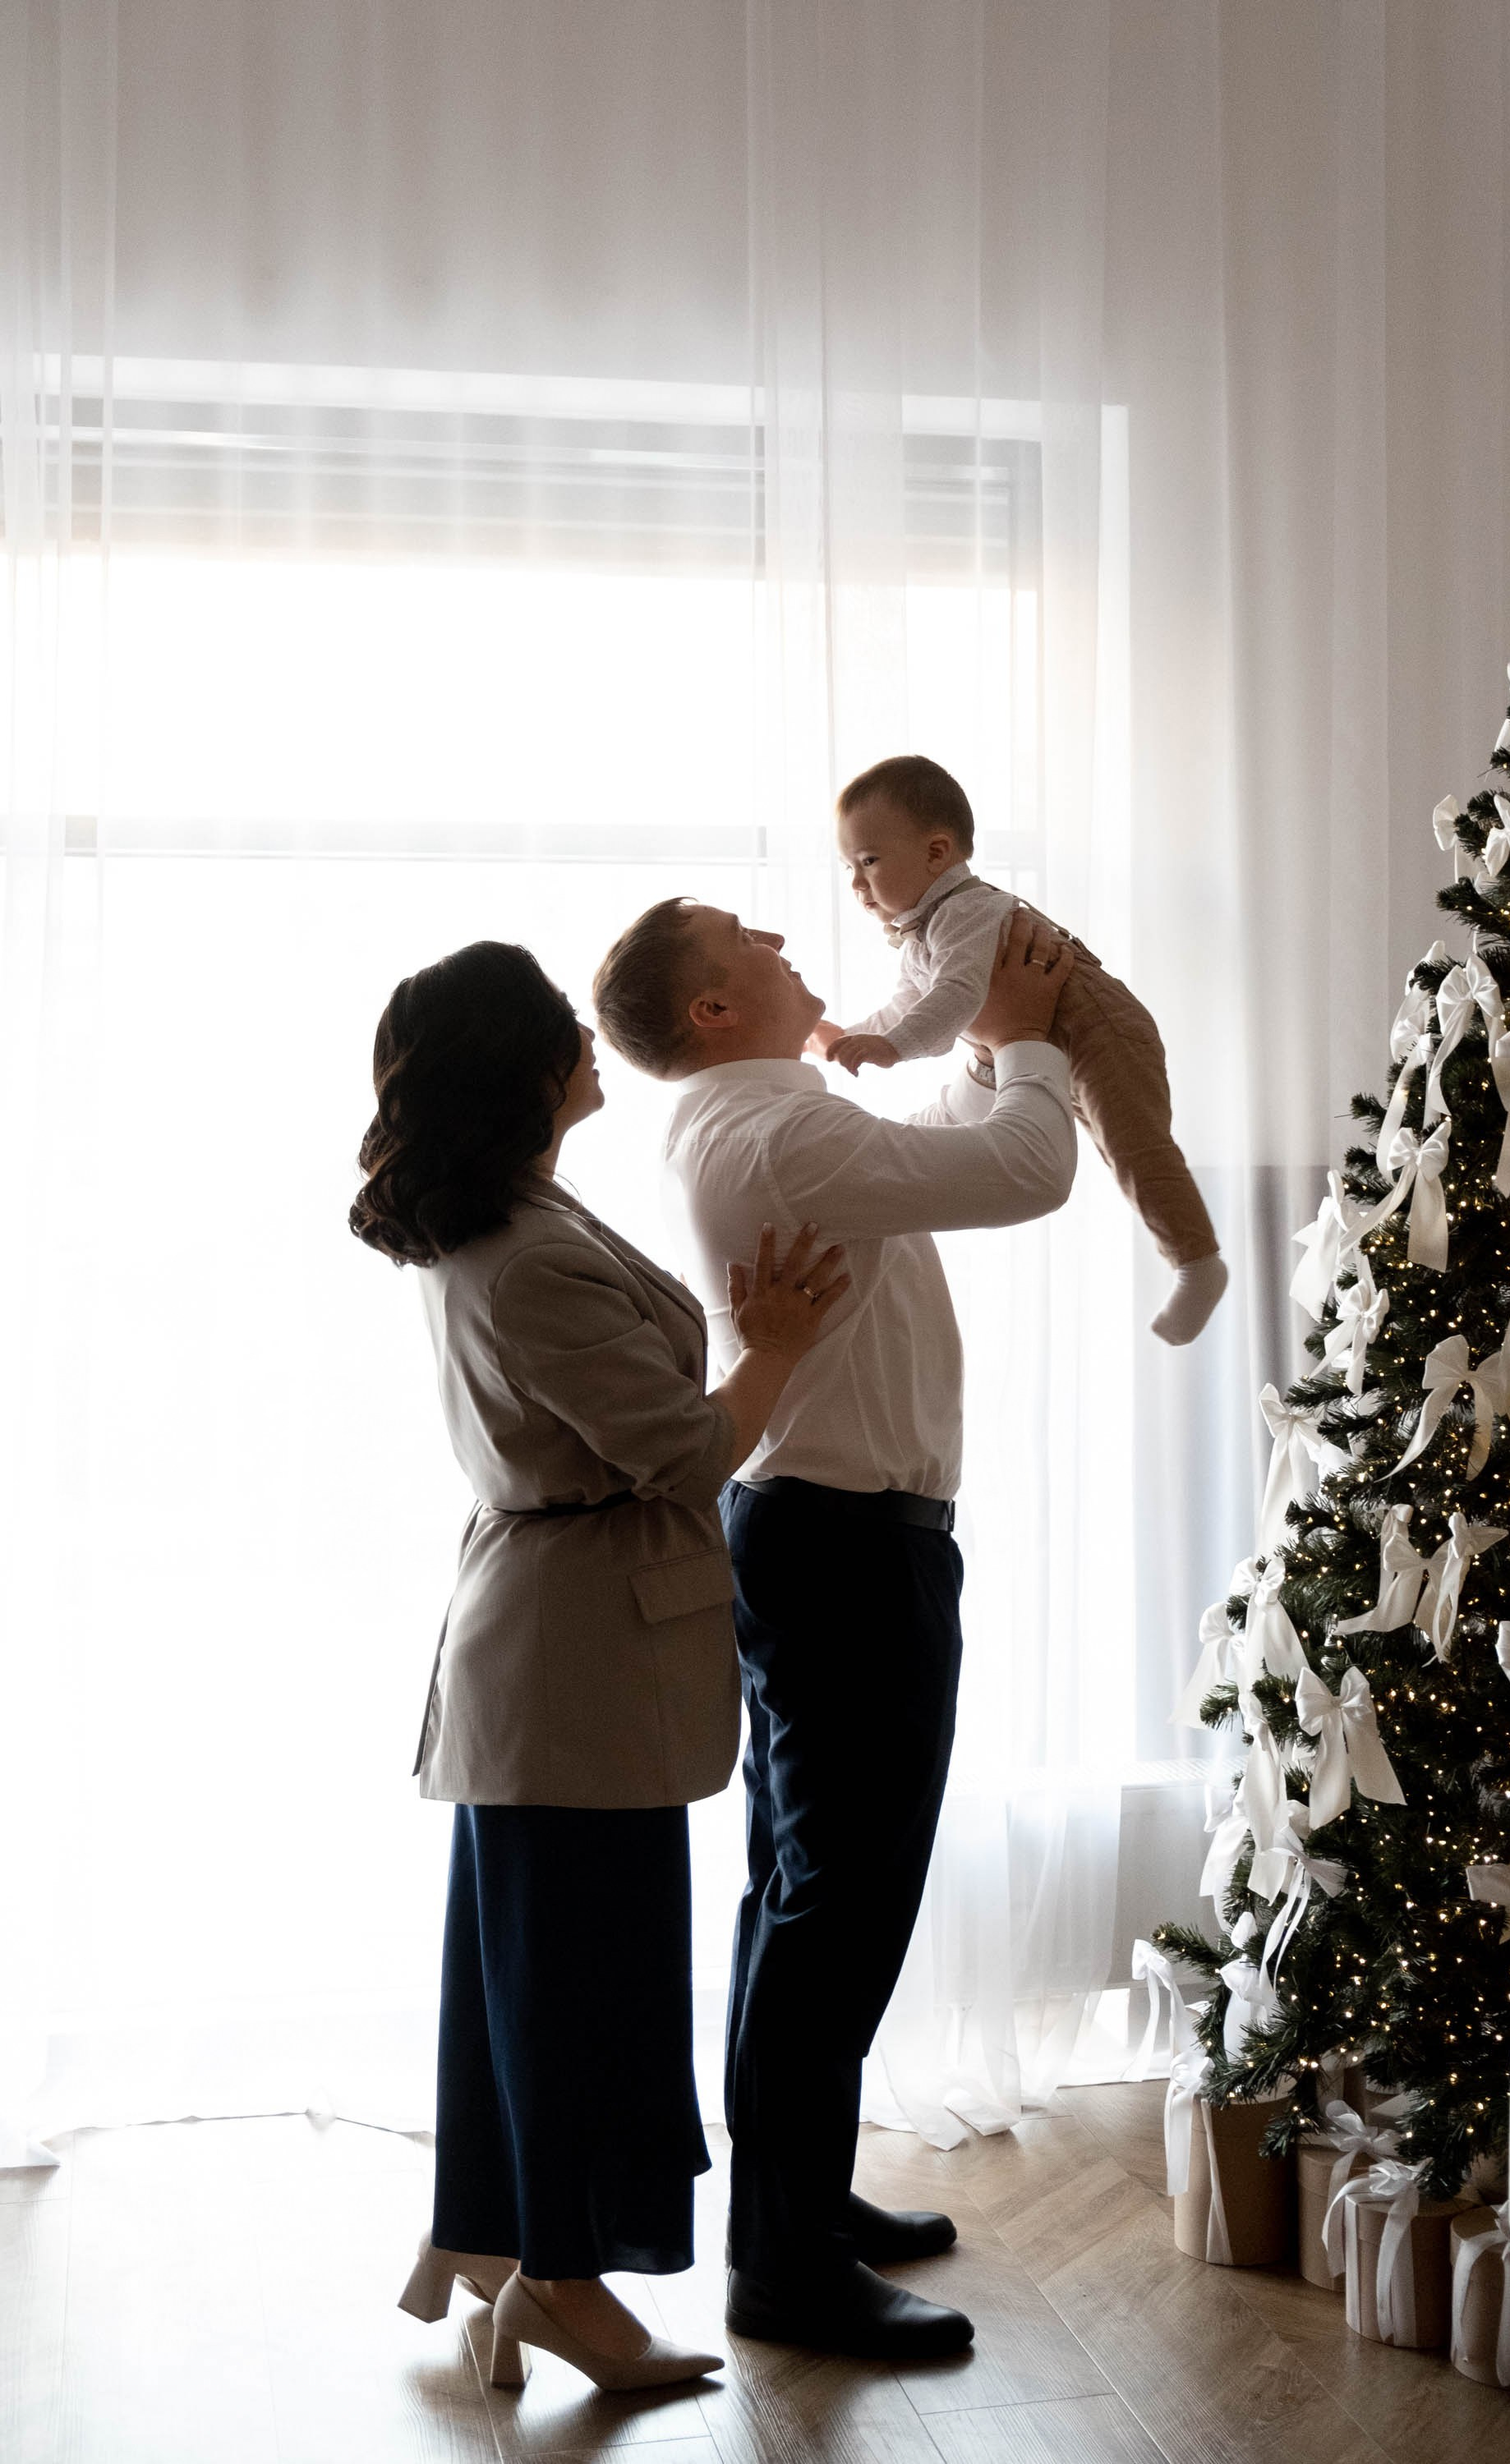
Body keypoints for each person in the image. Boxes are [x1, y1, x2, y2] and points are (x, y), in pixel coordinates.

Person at [348, 940, 847, 2395]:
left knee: (531, 1975)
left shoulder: (507, 1216)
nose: (585, 1033)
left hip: (548, 1652)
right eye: (556, 1022)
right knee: (583, 1987)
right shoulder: (529, 1250)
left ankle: (504, 2248)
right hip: (574, 1664)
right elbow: (685, 1453)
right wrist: (776, 1343)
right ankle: (562, 2285)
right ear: (517, 1071)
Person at [591, 896, 1077, 2361]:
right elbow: (1025, 1171)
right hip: (845, 1548)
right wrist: (1037, 1046)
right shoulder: (774, 1133)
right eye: (749, 937)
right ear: (713, 1012)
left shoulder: (778, 1116)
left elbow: (936, 1141)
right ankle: (785, 2265)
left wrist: (993, 1050)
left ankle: (795, 2208)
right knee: (834, 1906)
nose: (788, 935)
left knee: (795, 1897)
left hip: (825, 1537)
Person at [814, 753, 1228, 1347]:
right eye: (848, 866)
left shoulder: (968, 910)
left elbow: (955, 998)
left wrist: (892, 1047)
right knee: (1115, 1148)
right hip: (1046, 1037)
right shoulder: (924, 933)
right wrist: (852, 1036)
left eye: (869, 861)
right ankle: (1189, 1254)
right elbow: (910, 1003)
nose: (857, 883)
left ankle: (1197, 1261)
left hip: (1098, 1024)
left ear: (937, 853)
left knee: (1133, 1145)